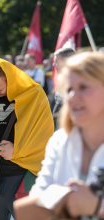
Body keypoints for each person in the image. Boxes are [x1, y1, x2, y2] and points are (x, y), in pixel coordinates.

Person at [14, 52, 104, 219]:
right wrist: (61, 197)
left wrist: (97, 206)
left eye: (83, 87)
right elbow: (29, 207)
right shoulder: (59, 141)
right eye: (69, 89)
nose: (72, 97)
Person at [0, 59, 54, 220]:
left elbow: (44, 137)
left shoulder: (34, 94)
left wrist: (16, 151)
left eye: (0, 90)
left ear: (11, 79)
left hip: (19, 171)